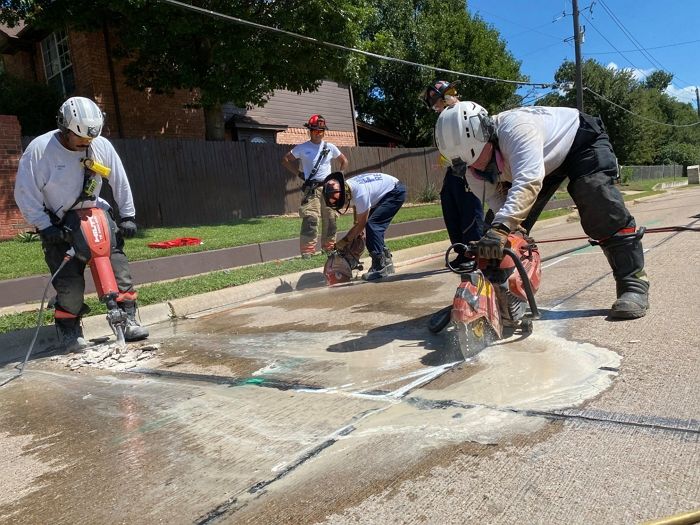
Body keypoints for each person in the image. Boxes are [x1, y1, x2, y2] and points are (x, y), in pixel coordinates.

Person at [435, 100, 650, 319]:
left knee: (597, 199)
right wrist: (507, 230)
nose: (475, 168)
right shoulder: (468, 167)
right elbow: (497, 201)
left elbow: (528, 182)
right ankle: (500, 297)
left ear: (487, 135)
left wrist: (504, 227)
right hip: (538, 163)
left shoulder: (517, 129)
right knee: (494, 236)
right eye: (468, 164)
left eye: (477, 158)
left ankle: (633, 283)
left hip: (579, 142)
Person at [14, 96, 149, 351]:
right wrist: (44, 226)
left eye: (90, 138)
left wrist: (128, 216)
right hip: (59, 226)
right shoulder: (40, 151)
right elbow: (25, 193)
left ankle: (128, 319)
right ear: (64, 128)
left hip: (96, 217)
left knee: (120, 272)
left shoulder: (101, 146)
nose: (86, 143)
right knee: (69, 287)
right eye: (80, 138)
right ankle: (69, 330)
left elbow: (119, 180)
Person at [421, 81, 485, 267]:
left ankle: (475, 253)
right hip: (453, 169)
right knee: (450, 206)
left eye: (435, 103)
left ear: (442, 98)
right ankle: (462, 251)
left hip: (470, 165)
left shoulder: (464, 111)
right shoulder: (445, 118)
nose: (434, 108)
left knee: (469, 208)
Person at [282, 114, 349, 258]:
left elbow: (344, 161)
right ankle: (307, 252)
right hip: (311, 189)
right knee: (310, 219)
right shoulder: (302, 147)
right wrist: (299, 174)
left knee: (331, 218)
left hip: (329, 189)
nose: (319, 134)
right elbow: (286, 160)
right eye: (316, 131)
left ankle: (329, 249)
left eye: (321, 131)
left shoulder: (330, 147)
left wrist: (339, 177)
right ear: (310, 131)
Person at [322, 171, 406, 281]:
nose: (343, 206)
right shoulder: (349, 188)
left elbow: (361, 224)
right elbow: (358, 219)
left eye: (342, 203)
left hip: (394, 192)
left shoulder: (360, 194)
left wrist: (344, 241)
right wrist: (354, 235)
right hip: (386, 192)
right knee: (371, 227)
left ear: (345, 194)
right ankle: (387, 262)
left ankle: (379, 266)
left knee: (373, 225)